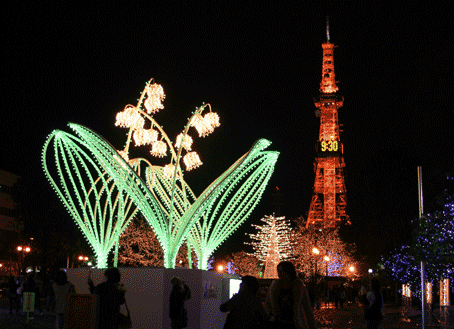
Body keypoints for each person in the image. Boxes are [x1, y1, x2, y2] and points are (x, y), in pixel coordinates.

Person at [265, 261, 316, 329]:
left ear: (289, 272)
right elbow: (268, 304)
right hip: (277, 322)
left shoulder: (299, 286)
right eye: (278, 271)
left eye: (282, 271)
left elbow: (307, 308)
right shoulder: (274, 286)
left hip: (294, 322)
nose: (279, 274)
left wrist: (312, 325)